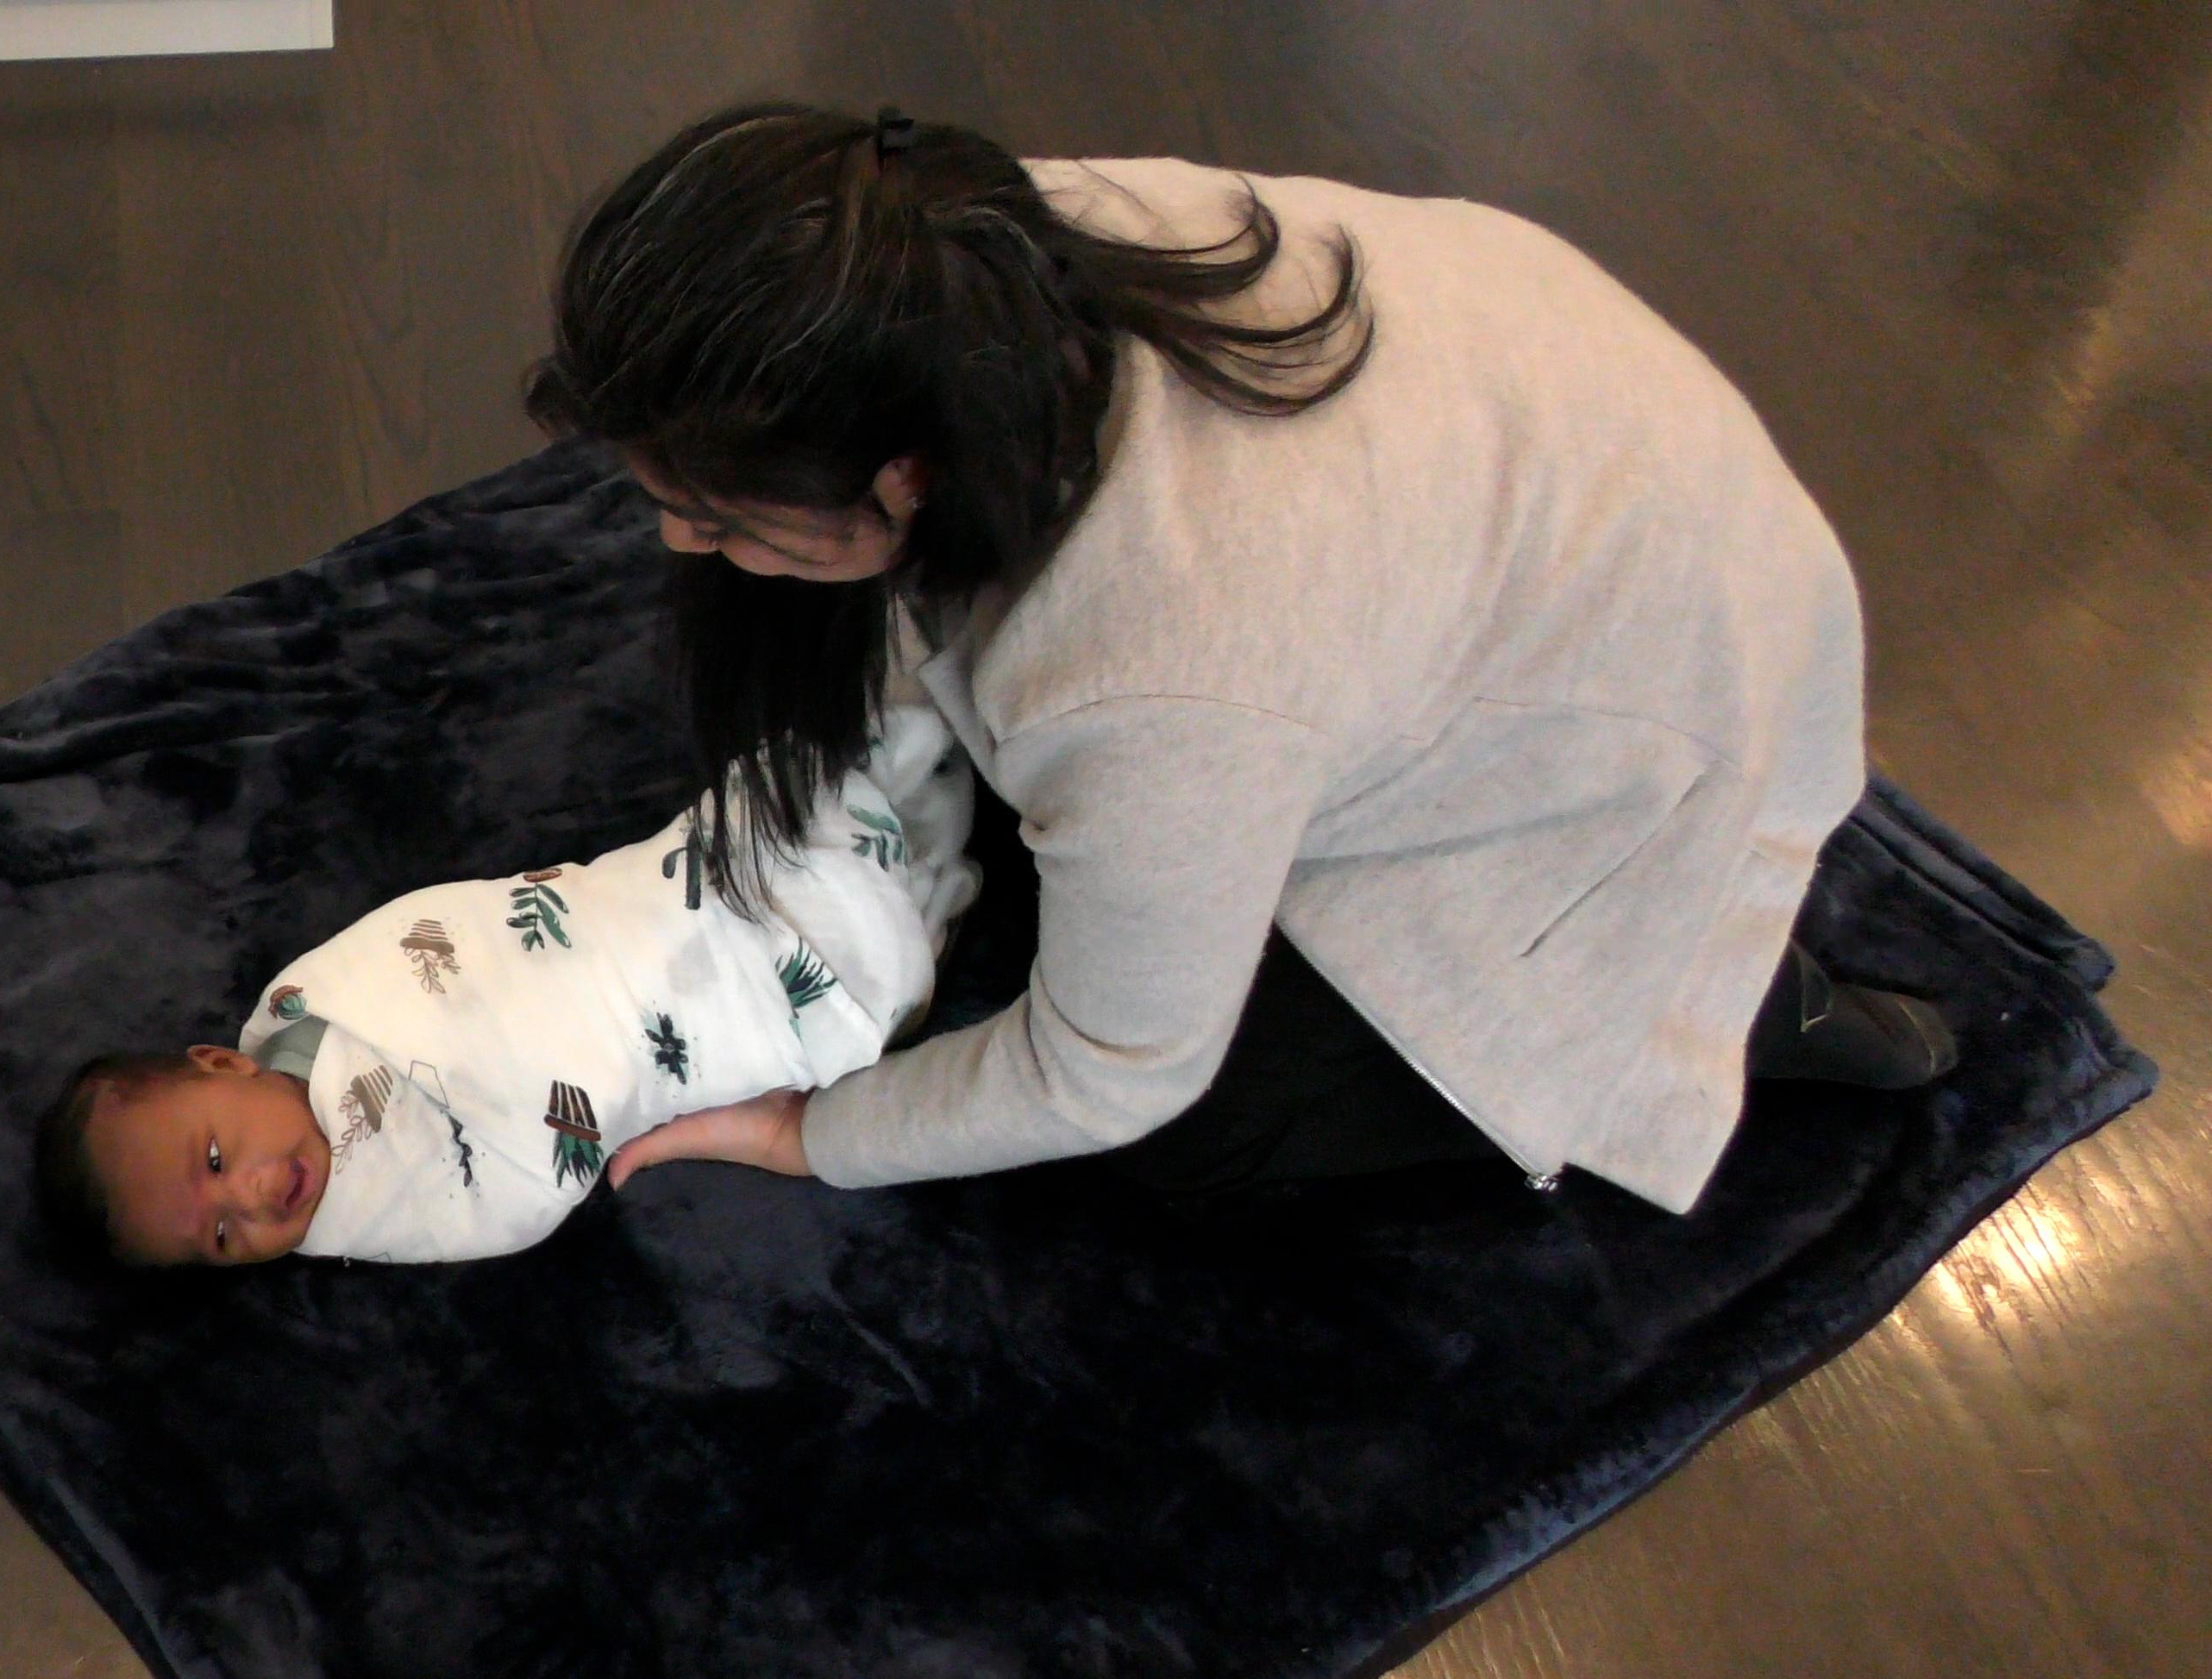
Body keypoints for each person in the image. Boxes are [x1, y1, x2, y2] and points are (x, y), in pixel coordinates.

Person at [529, 103, 1955, 1214]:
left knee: (1203, 1137)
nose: (672, 541)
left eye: (718, 516)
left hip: (1658, 710)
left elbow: (1110, 1073)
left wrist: (810, 1135)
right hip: (1568, 485)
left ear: (904, 480)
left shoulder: (1158, 667)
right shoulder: (950, 237)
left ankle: (1743, 1003)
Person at [29, 708, 980, 1266]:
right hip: (658, 1024)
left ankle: (911, 744)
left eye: (213, 1162)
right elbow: (513, 1194)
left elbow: (444, 933)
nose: (256, 1196)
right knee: (833, 963)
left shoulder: (311, 999)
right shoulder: (374, 1205)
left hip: (625, 908)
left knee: (774, 809)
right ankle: (903, 893)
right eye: (225, 1239)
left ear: (220, 1064)